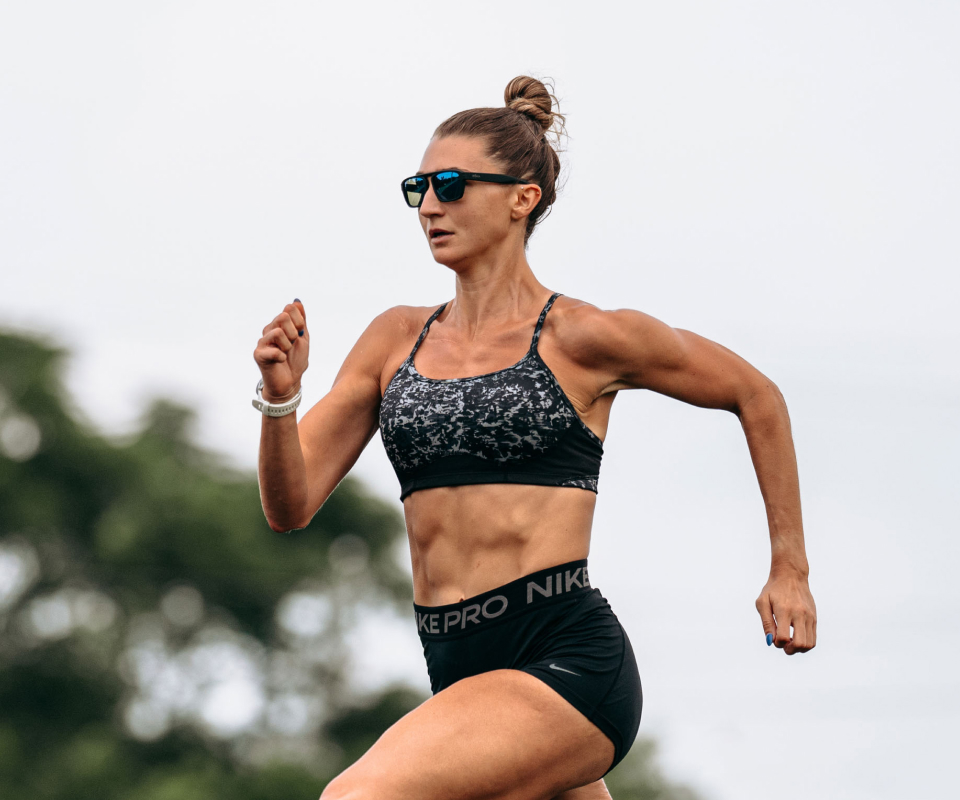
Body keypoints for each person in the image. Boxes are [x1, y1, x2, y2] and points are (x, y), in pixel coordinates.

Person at [252, 76, 817, 800]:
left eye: (452, 186)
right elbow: (288, 504)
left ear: (523, 198)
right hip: (458, 669)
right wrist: (279, 399)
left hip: (564, 660)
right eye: (418, 188)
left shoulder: (583, 336)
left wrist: (789, 569)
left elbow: (755, 394)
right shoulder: (394, 339)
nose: (429, 206)